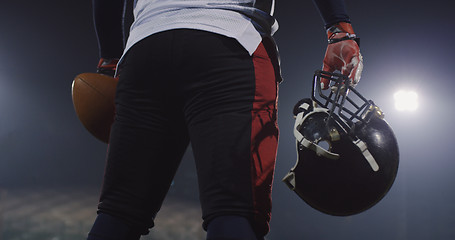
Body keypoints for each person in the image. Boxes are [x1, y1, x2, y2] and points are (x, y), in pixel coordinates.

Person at [87, 0, 363, 239]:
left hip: (145, 50)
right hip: (229, 39)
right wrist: (340, 29)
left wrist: (110, 59)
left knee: (119, 211)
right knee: (235, 210)